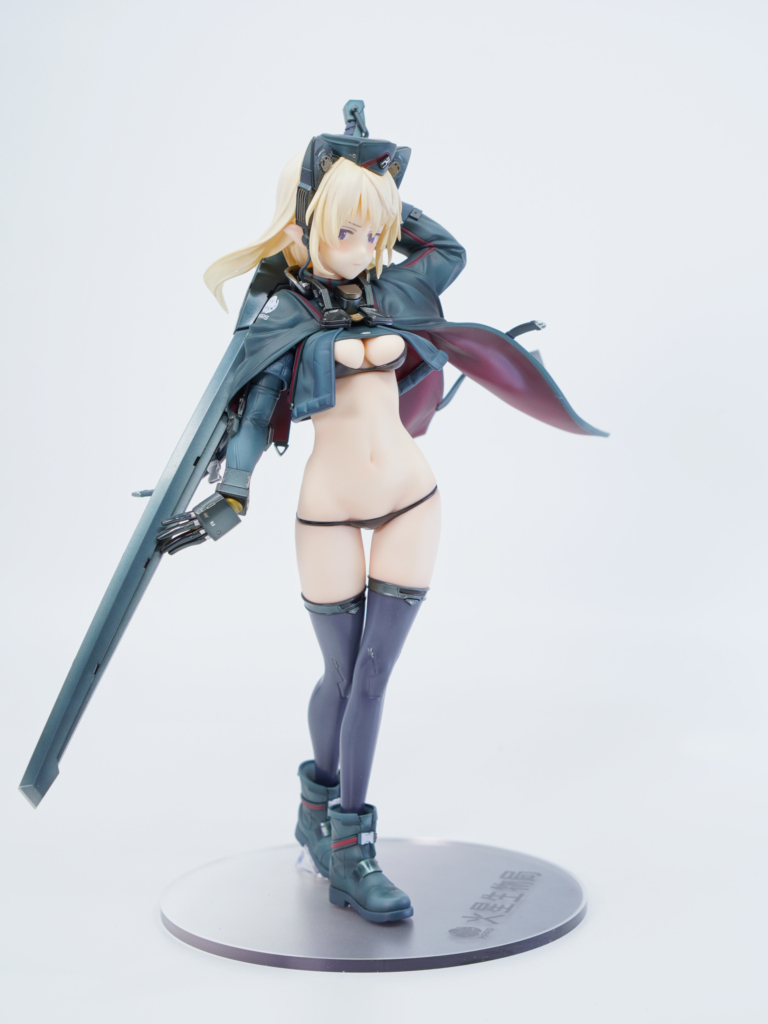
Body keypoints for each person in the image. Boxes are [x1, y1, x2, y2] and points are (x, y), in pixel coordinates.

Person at [161, 102, 606, 924]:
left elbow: (450, 250)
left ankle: (350, 849)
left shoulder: (400, 285)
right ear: (304, 228)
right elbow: (253, 418)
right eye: (348, 231)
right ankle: (316, 801)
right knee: (340, 674)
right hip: (327, 514)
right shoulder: (284, 317)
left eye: (376, 234)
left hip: (411, 501)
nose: (366, 247)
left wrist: (377, 182)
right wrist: (229, 497)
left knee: (372, 674)